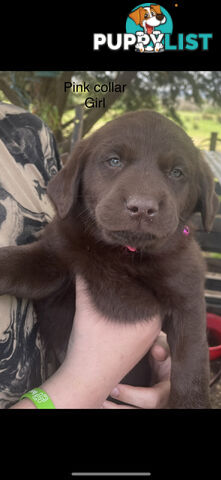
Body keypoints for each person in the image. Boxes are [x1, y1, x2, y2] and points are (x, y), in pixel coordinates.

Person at [0, 102, 170, 409]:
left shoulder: (25, 129)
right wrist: (85, 383)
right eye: (115, 161)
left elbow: (55, 261)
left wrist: (152, 346)